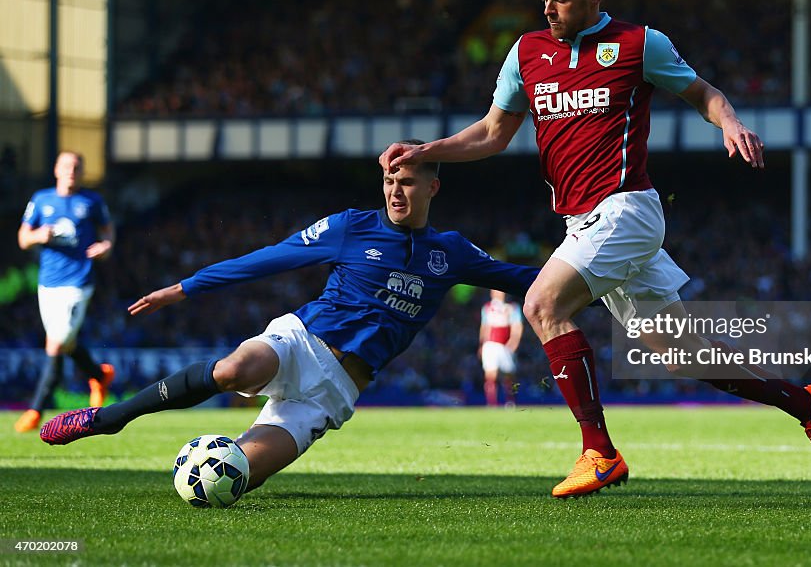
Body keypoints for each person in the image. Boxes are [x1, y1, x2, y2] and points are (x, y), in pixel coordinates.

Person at [381, 0, 811, 498]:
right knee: (681, 355)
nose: (548, 10)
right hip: (581, 221)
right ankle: (806, 403)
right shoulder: (526, 52)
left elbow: (702, 92)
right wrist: (425, 151)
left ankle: (598, 451)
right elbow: (490, 133)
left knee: (542, 304)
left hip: (627, 208)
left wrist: (729, 123)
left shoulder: (638, 43)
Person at [39, 148, 539, 493]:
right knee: (234, 370)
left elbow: (524, 279)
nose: (394, 191)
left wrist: (598, 282)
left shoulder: (451, 253)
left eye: (406, 182)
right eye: (388, 181)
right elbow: (269, 258)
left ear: (433, 185)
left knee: (235, 478)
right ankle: (108, 419)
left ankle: (207, 459)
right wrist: (186, 287)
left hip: (335, 390)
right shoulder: (350, 226)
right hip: (300, 340)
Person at [14, 151, 116, 433]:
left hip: (78, 283)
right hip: (48, 284)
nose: (71, 171)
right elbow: (23, 237)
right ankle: (99, 375)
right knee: (64, 343)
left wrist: (105, 247)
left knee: (56, 343)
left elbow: (108, 232)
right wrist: (38, 236)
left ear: (82, 172)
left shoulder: (91, 201)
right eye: (67, 166)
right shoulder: (41, 199)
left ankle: (36, 409)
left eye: (76, 167)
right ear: (57, 170)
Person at [479, 289, 523, 407]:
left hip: (505, 346)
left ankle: (510, 401)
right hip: (490, 345)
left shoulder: (512, 308)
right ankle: (492, 403)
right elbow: (485, 327)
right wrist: (482, 344)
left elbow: (517, 326)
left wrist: (514, 343)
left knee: (508, 375)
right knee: (490, 375)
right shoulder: (487, 308)